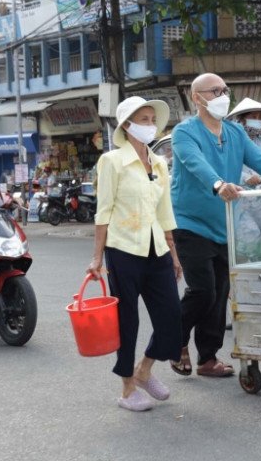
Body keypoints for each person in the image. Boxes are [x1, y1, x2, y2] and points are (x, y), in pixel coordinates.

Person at [170, 73, 261, 377]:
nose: (223, 96)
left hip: (226, 224)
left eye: (226, 90)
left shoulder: (236, 133)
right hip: (190, 223)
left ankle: (207, 358)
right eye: (215, 91)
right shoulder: (185, 133)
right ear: (197, 98)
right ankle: (175, 340)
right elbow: (195, 163)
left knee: (221, 291)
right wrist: (218, 183)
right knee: (203, 290)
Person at [87, 96, 183, 412]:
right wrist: (97, 258)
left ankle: (145, 370)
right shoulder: (112, 161)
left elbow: (164, 210)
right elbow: (104, 211)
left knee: (172, 317)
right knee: (127, 321)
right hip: (123, 249)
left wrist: (174, 253)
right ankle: (127, 388)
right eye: (143, 119)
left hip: (156, 249)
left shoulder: (158, 163)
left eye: (152, 119)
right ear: (127, 126)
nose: (150, 125)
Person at [226, 97, 261, 188]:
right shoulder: (231, 141)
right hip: (240, 193)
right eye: (254, 117)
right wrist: (245, 178)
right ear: (242, 119)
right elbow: (225, 168)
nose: (257, 120)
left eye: (259, 117)